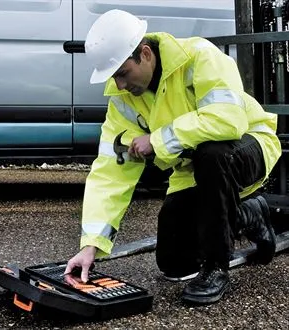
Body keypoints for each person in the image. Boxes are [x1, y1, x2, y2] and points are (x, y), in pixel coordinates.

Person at [64, 9, 281, 304]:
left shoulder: (201, 56)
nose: (120, 85)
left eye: (123, 74)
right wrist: (90, 245)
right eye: (114, 78)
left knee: (212, 153)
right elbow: (109, 171)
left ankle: (217, 267)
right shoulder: (124, 100)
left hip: (247, 146)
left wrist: (157, 140)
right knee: (175, 264)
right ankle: (248, 214)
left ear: (145, 53)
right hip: (192, 168)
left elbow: (229, 120)